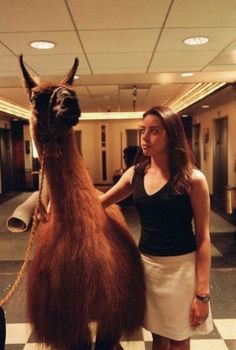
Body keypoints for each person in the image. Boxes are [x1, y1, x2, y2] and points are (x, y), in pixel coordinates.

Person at [100, 106, 213, 350]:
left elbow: (203, 238)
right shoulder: (135, 174)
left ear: (171, 135)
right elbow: (99, 204)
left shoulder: (193, 179)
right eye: (143, 130)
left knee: (179, 338)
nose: (145, 137)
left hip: (181, 270)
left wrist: (202, 294)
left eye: (154, 131)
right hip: (147, 268)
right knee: (158, 337)